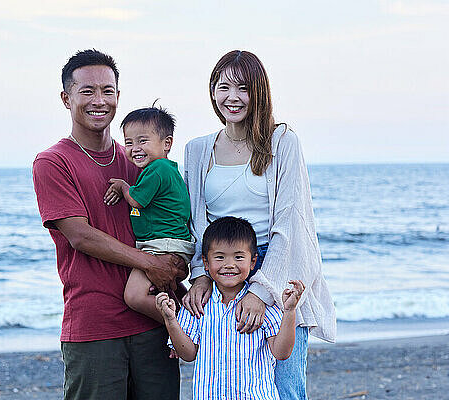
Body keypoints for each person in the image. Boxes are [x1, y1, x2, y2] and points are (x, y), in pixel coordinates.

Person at [181, 50, 336, 400]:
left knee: (283, 387)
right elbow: (195, 222)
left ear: (258, 93)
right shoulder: (197, 149)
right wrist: (202, 274)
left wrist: (261, 290)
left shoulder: (282, 142)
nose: (232, 97)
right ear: (212, 91)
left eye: (243, 88)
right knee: (225, 380)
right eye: (223, 87)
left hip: (275, 268)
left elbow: (289, 224)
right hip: (223, 269)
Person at [32, 49, 186, 400]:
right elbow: (81, 236)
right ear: (66, 98)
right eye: (87, 91)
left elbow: (170, 225)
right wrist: (151, 264)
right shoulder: (53, 162)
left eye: (108, 91)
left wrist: (186, 282)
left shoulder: (140, 161)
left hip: (152, 320)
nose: (99, 100)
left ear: (118, 96)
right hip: (94, 327)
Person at [157, 216, 305, 400]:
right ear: (205, 262)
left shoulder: (264, 305)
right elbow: (188, 354)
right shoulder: (197, 304)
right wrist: (170, 320)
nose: (229, 264)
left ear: (253, 262)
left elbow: (282, 353)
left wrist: (290, 312)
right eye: (219, 257)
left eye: (238, 257)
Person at [104, 105, 195, 322]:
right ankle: (189, 320)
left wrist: (123, 187)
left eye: (142, 141)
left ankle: (184, 327)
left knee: (134, 296)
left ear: (167, 144)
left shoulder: (158, 169)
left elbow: (136, 200)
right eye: (128, 142)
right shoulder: (165, 169)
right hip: (168, 245)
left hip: (163, 246)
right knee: (165, 293)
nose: (135, 148)